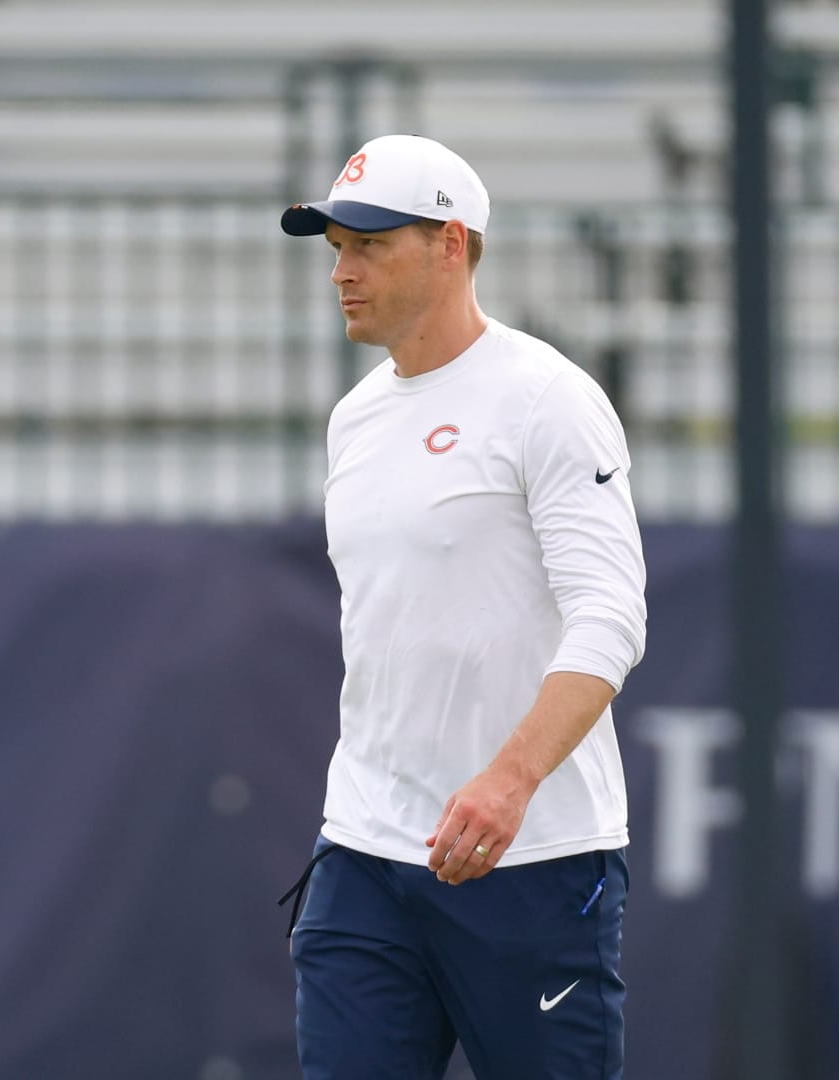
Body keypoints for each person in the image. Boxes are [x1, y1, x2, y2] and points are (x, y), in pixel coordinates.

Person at [274, 134, 648, 1080]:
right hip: (362, 853)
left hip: (534, 861)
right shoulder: (354, 419)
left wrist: (508, 782)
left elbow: (610, 615)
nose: (342, 273)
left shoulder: (546, 400)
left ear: (451, 243)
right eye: (335, 249)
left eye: (369, 245)